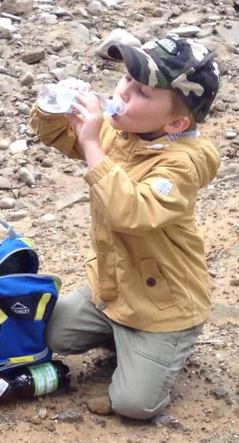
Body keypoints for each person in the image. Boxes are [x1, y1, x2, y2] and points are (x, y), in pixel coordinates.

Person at [30, 36, 222, 420]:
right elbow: (53, 135)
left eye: (142, 93)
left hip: (163, 304)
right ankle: (120, 336)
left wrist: (93, 148)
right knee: (52, 336)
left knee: (134, 405)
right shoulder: (119, 132)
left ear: (177, 122)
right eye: (125, 81)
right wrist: (55, 108)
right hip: (114, 287)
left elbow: (130, 214)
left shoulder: (182, 165)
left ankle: (167, 346)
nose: (123, 93)